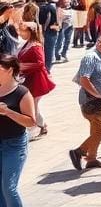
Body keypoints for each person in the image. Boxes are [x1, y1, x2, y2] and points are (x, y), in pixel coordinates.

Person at [69, 34, 101, 171]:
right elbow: (84, 80)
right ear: (99, 42)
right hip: (92, 101)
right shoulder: (90, 57)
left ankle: (92, 159)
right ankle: (79, 152)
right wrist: (99, 96)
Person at [0, 54, 37, 207]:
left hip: (14, 145)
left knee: (8, 187)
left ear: (10, 70)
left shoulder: (22, 92)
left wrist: (8, 112)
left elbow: (31, 122)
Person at [16, 22, 53, 138]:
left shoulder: (35, 45)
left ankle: (36, 128)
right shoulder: (28, 43)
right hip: (29, 79)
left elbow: (40, 63)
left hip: (37, 80)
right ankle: (41, 126)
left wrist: (23, 66)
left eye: (22, 31)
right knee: (33, 105)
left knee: (32, 106)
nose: (20, 33)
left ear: (29, 32)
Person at [34, 0, 58, 69]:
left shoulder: (38, 8)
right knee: (49, 51)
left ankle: (44, 68)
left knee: (42, 51)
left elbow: (45, 21)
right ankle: (47, 68)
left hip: (42, 32)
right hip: (52, 31)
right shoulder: (52, 7)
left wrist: (42, 31)